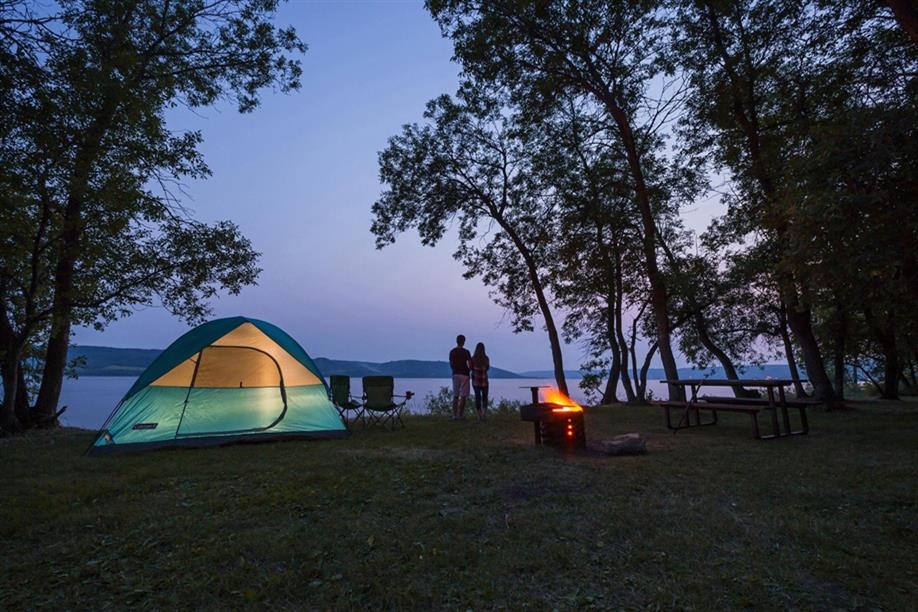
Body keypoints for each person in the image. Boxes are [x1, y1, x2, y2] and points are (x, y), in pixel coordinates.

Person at [449, 334, 472, 420]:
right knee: (463, 396)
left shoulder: (452, 351)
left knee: (455, 395)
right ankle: (460, 415)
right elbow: (470, 364)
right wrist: (468, 370)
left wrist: (454, 370)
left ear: (457, 341)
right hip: (464, 375)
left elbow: (451, 363)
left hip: (455, 374)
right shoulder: (466, 352)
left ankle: (454, 415)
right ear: (464, 342)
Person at [470, 342, 490, 422]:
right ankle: (484, 415)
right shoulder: (486, 358)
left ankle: (479, 416)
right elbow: (487, 368)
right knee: (484, 398)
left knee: (477, 398)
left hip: (476, 381)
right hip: (484, 381)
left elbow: (470, 368)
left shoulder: (473, 358)